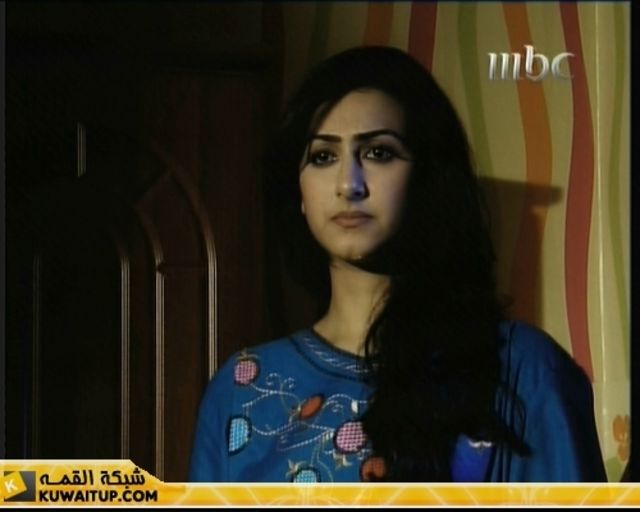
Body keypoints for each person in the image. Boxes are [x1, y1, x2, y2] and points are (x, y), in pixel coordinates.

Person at [188, 46, 606, 482]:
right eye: (323, 157)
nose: (349, 185)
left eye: (379, 153)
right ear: (299, 192)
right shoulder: (240, 389)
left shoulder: (523, 371)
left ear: (427, 177)